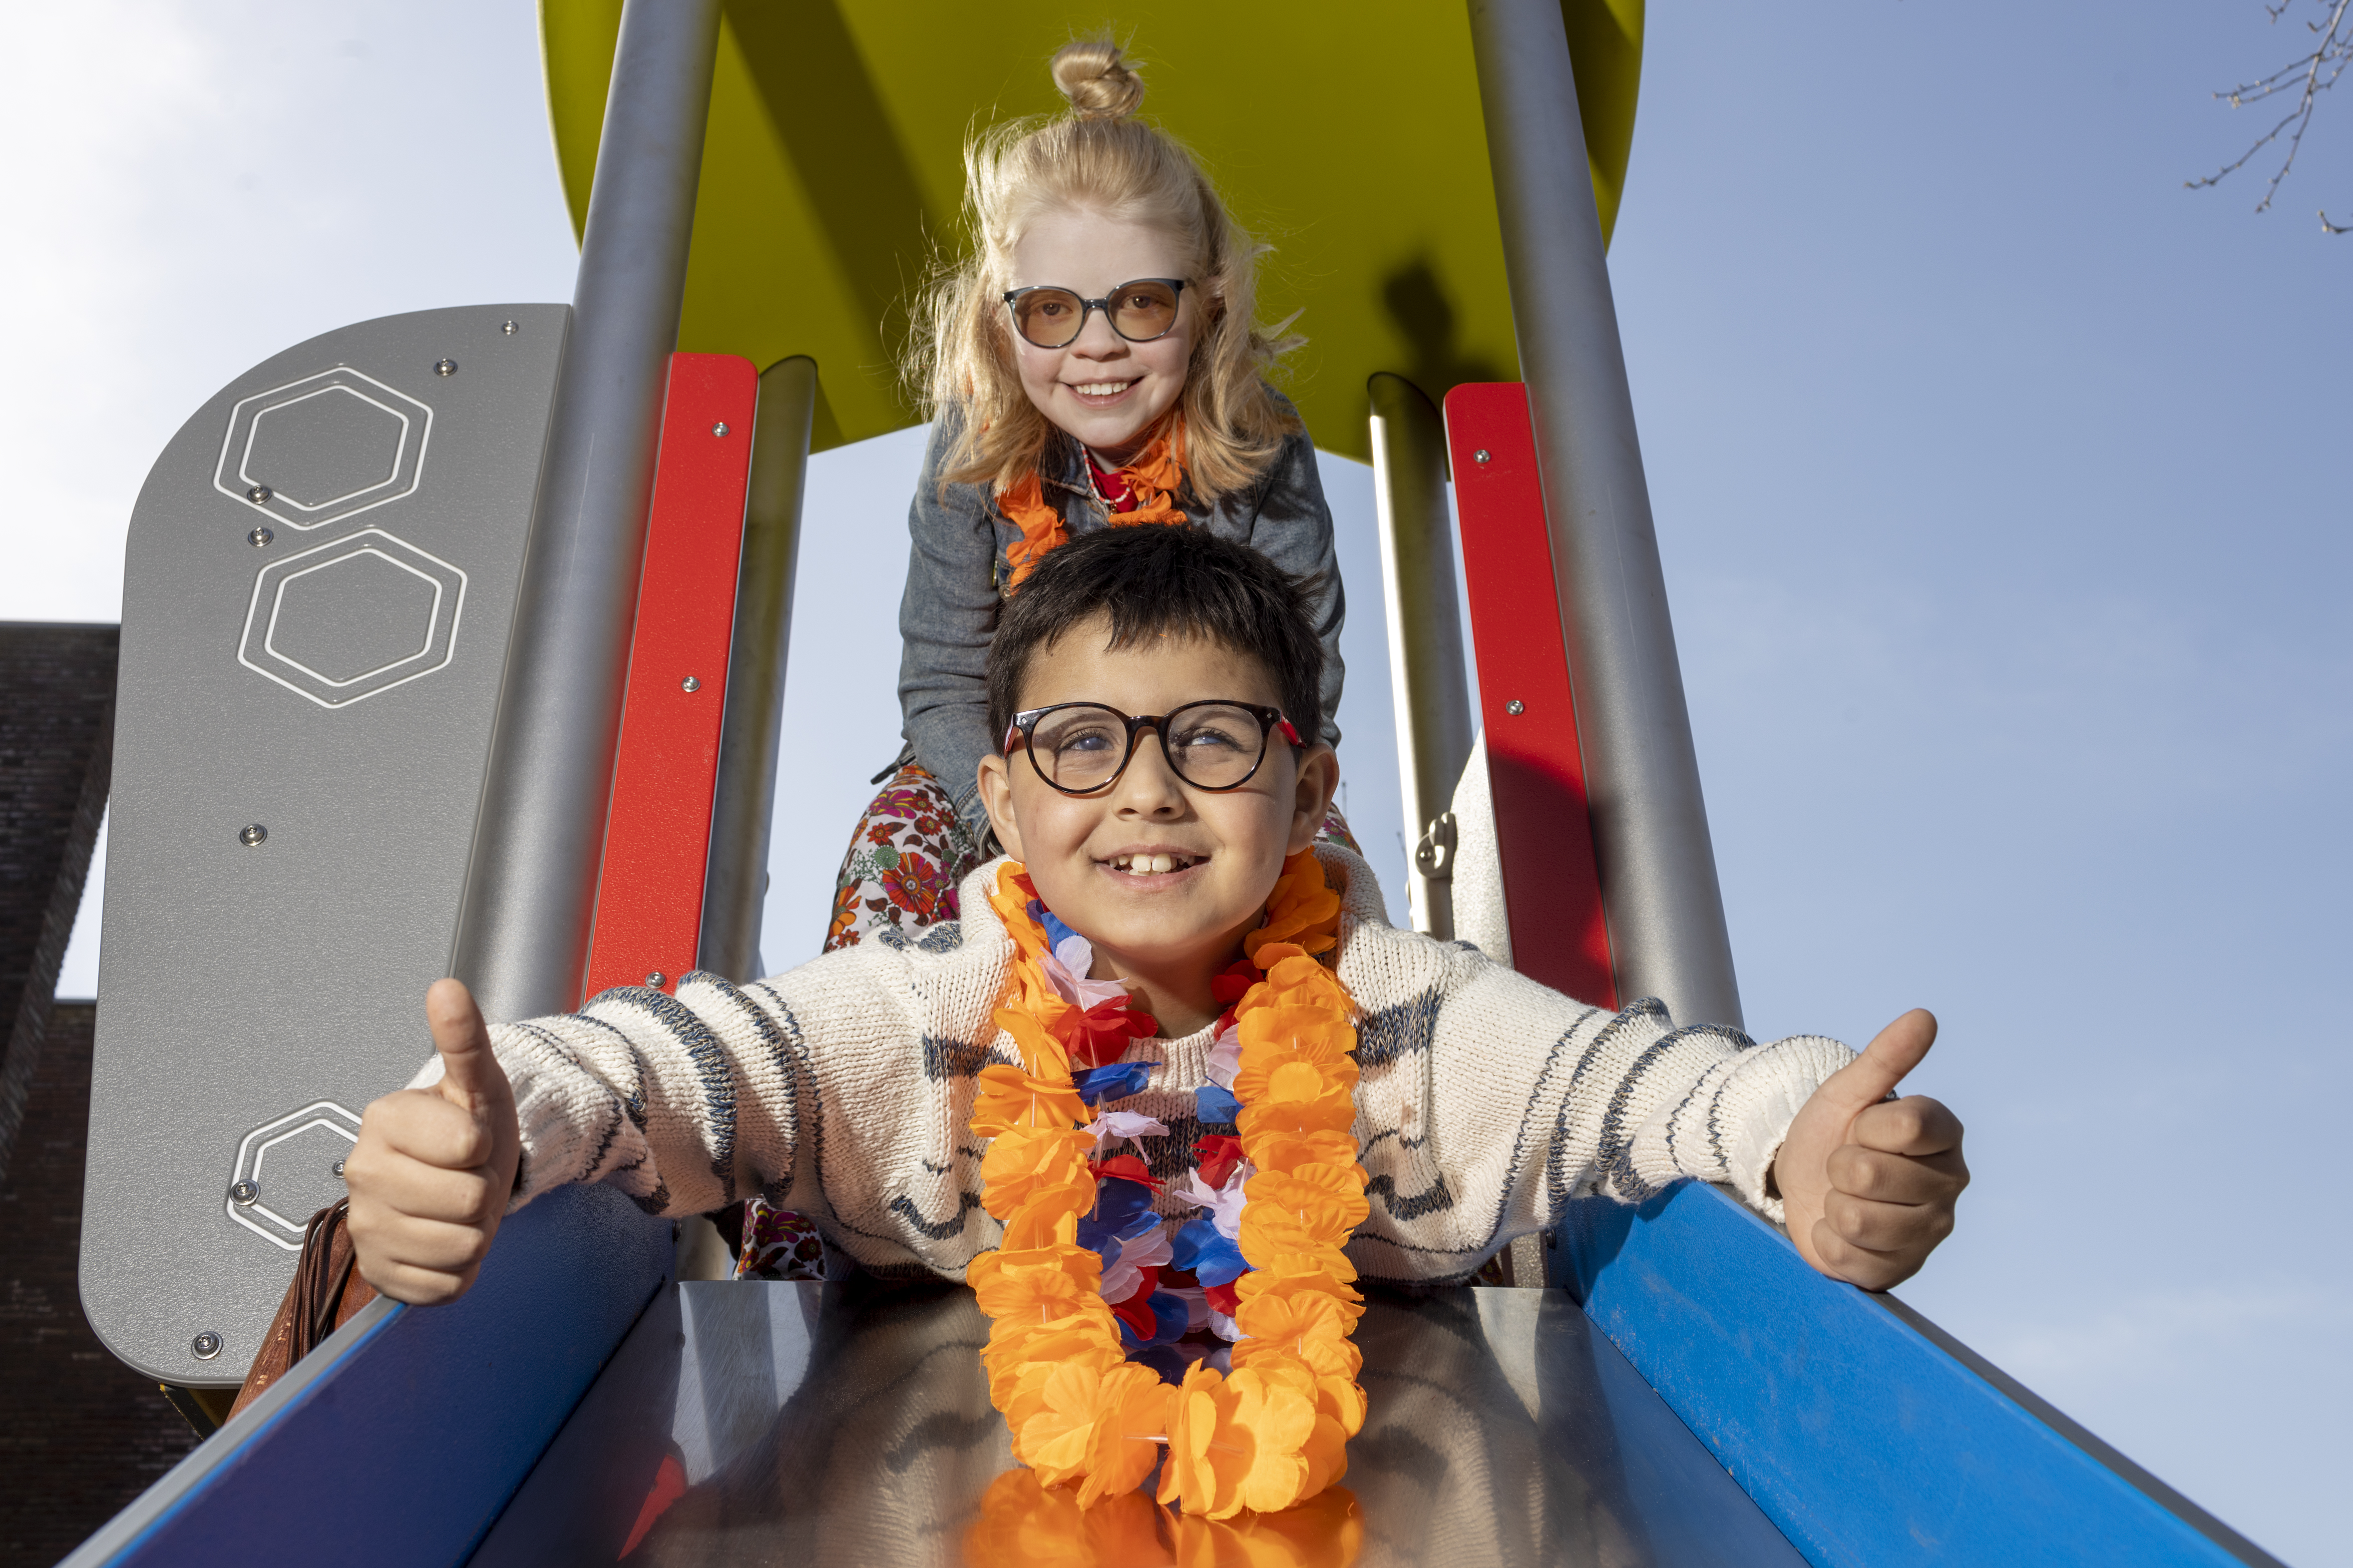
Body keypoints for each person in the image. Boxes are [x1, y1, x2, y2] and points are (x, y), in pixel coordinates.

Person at [344, 526, 1967, 1512]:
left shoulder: (1407, 1029)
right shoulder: (930, 1019)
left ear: (1305, 785)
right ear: (998, 793)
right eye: (1079, 742)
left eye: (1208, 738)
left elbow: (1648, 1089)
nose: (1143, 793)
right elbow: (660, 1065)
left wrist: (1808, 1133)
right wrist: (475, 1133)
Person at [832, 37, 1347, 954]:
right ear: (1004, 315)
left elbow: (1307, 668)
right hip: (1011, 771)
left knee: (1336, 889)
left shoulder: (1260, 444)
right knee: (891, 845)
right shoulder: (976, 448)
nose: (1097, 346)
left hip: (1208, 763)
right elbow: (943, 680)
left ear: (1210, 305)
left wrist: (1229, 788)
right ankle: (889, 1067)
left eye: (1142, 303)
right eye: (1053, 310)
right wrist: (1028, 816)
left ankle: (1347, 1081)